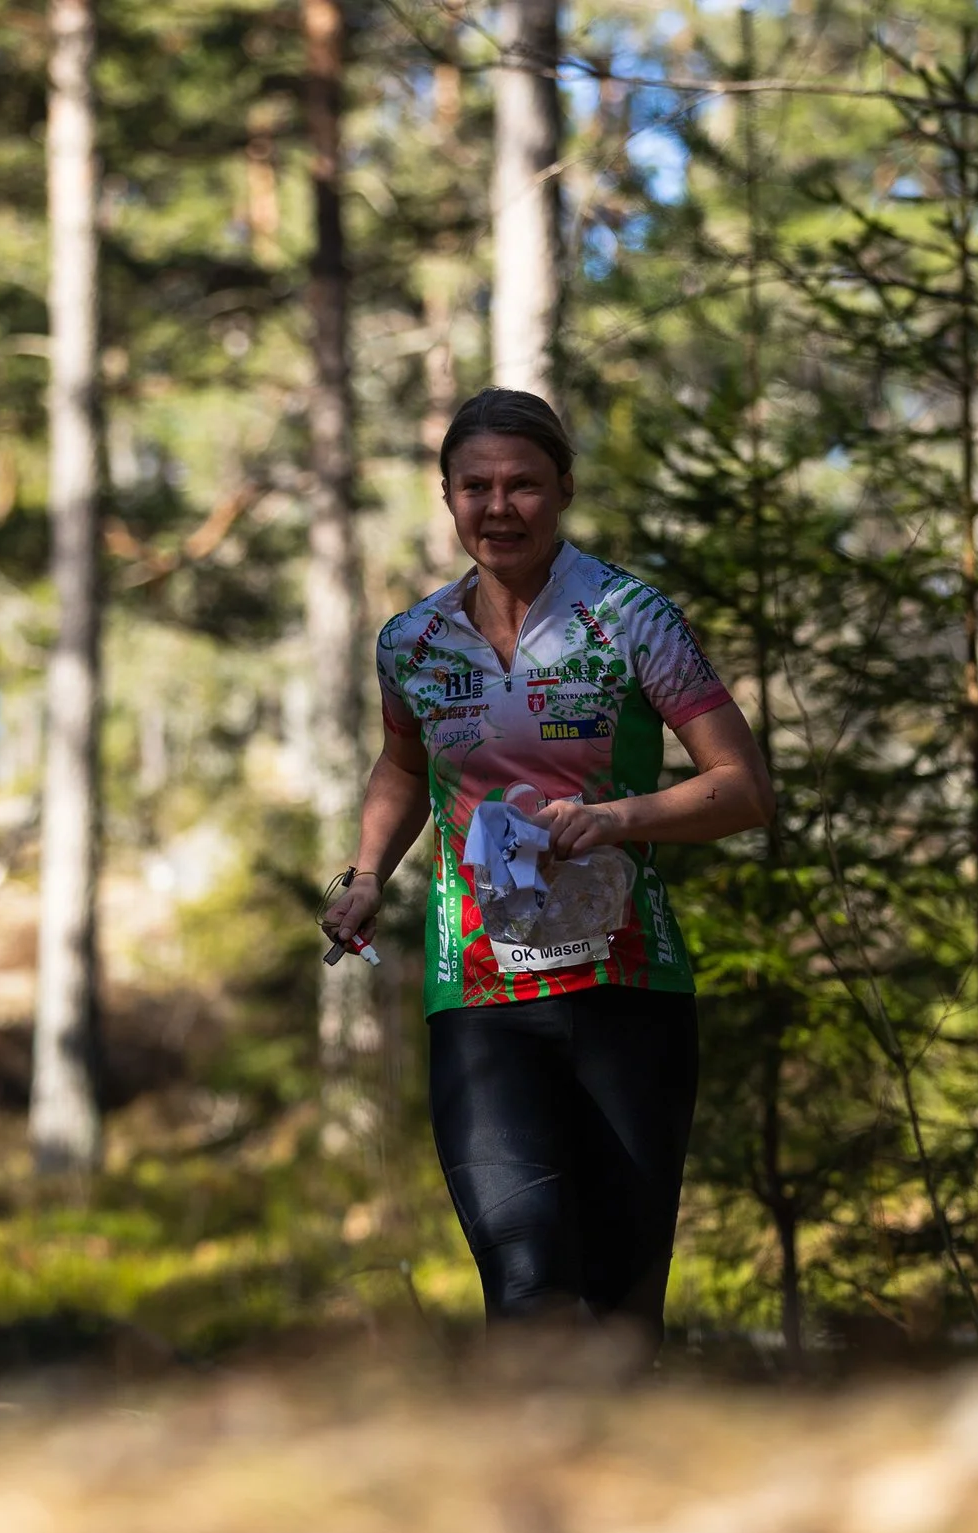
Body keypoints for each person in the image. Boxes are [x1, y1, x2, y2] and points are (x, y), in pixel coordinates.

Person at [321, 387, 773, 1343]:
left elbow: (742, 788)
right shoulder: (412, 643)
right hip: (479, 998)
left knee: (619, 1310)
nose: (499, 507)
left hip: (629, 990)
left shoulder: (630, 618)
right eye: (475, 486)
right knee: (525, 1286)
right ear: (445, 497)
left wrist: (615, 818)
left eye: (523, 484)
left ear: (563, 489)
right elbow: (404, 765)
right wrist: (366, 874)